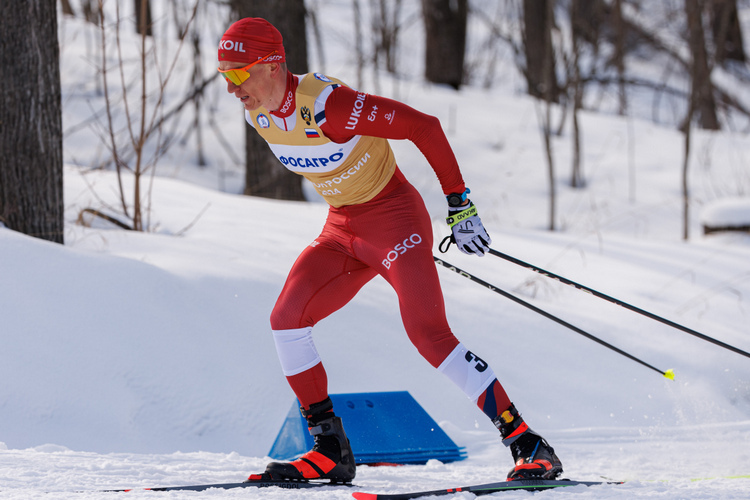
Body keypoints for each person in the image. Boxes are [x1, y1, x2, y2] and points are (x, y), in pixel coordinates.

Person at [217, 17, 562, 483]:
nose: (233, 87)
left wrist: (459, 204)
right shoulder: (255, 113)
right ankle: (330, 449)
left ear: (274, 64)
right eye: (225, 75)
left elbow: (424, 127)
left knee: (428, 335)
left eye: (240, 73)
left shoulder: (329, 107)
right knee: (287, 320)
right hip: (342, 228)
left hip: (394, 218)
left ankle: (527, 443)